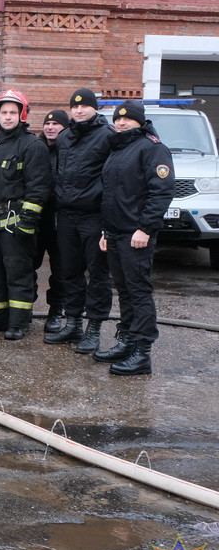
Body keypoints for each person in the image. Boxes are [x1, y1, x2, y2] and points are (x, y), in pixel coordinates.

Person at [96, 101, 174, 375]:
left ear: (140, 122)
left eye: (127, 119)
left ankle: (142, 352)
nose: (121, 123)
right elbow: (111, 195)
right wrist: (106, 231)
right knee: (125, 290)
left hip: (136, 235)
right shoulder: (119, 148)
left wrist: (146, 229)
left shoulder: (153, 148)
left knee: (138, 292)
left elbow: (161, 191)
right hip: (116, 233)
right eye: (117, 119)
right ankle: (127, 340)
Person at [0, 89, 51, 340]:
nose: (7, 117)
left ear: (22, 114)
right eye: (3, 112)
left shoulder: (33, 146)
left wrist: (28, 222)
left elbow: (38, 187)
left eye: (12, 112)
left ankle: (18, 321)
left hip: (15, 223)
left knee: (17, 272)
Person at [44, 88, 115, 355]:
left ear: (95, 108)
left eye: (85, 105)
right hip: (66, 215)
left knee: (97, 274)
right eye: (75, 106)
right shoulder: (64, 138)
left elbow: (114, 179)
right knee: (69, 272)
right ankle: (73, 322)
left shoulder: (108, 136)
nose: (79, 110)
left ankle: (93, 328)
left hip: (94, 216)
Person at [36, 110, 68, 334]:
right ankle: (24, 308)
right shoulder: (35, 149)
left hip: (62, 219)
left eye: (56, 123)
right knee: (27, 265)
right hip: (36, 217)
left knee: (61, 269)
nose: (50, 127)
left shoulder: (70, 150)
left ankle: (56, 311)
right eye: (47, 123)